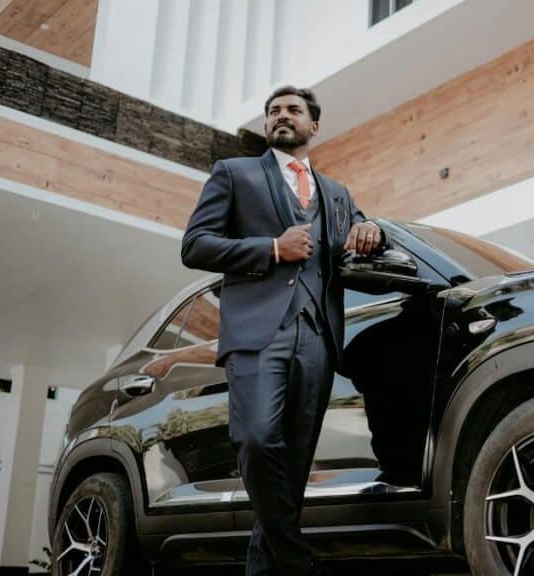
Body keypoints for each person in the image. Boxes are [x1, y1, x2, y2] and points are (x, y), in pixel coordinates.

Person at [181, 85, 384, 576]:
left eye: (293, 110)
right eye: (273, 111)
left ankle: (265, 567)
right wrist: (272, 248)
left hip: (317, 338)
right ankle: (297, 561)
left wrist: (370, 228)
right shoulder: (234, 173)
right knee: (255, 439)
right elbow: (195, 245)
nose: (281, 117)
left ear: (314, 125)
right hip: (257, 332)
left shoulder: (337, 194)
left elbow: (361, 237)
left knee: (291, 473)